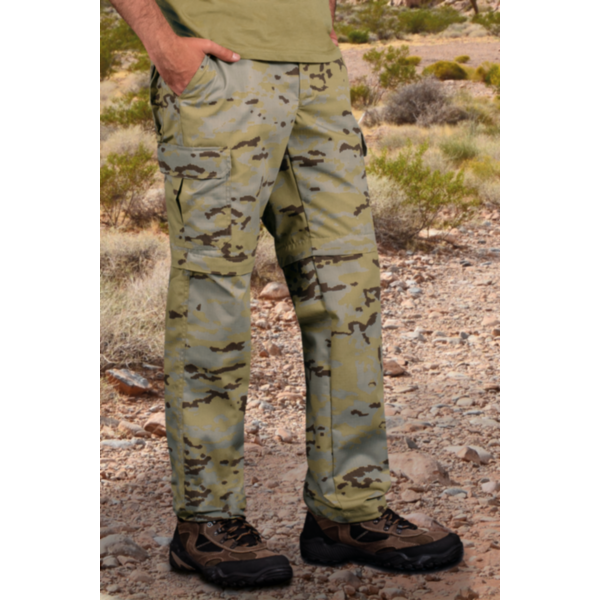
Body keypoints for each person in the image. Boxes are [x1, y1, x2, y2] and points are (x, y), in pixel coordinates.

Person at [108, 0, 464, 588]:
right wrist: (163, 44)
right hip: (219, 70)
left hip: (317, 74)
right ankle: (207, 521)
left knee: (349, 294)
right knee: (213, 298)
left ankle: (347, 510)